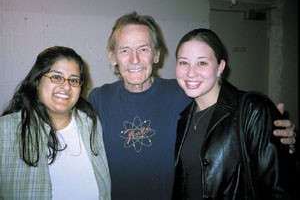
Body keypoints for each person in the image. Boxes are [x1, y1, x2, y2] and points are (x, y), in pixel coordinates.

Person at [87, 11, 297, 200]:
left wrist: (277, 133)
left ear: (157, 55)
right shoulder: (98, 98)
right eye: (124, 50)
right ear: (112, 57)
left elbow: (230, 111)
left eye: (143, 49)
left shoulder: (184, 93)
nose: (134, 59)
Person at [172, 28, 297, 199]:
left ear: (220, 67)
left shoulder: (252, 109)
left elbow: (279, 189)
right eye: (183, 62)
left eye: (202, 63)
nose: (191, 72)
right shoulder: (184, 118)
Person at [0, 46, 111, 200]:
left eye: (74, 80)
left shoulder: (91, 124)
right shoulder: (5, 131)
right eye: (56, 77)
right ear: (37, 81)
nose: (66, 86)